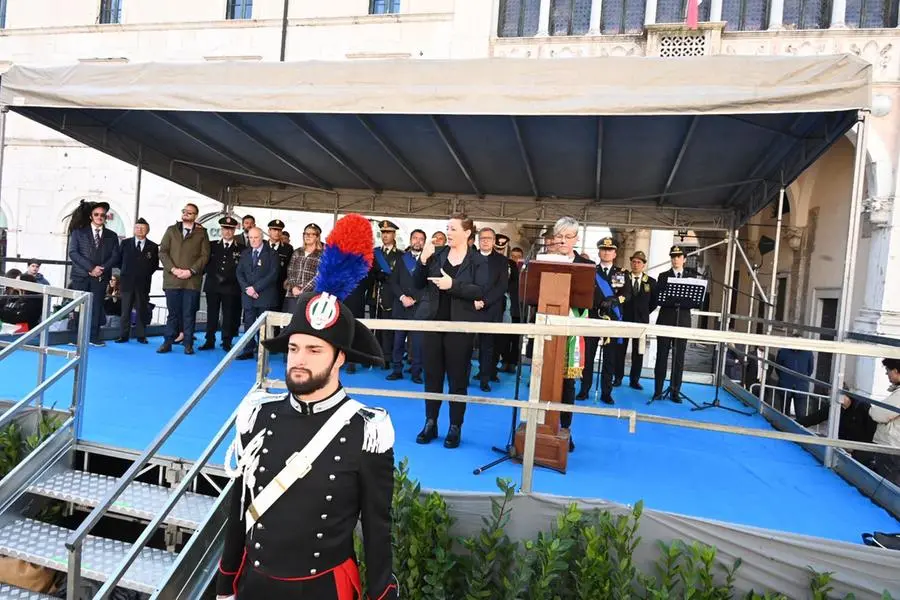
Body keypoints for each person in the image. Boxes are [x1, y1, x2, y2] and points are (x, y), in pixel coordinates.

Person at [216, 291, 398, 600]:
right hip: (255, 585)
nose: (299, 360)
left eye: (314, 350)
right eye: (293, 348)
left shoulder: (366, 429)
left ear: (339, 357)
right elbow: (238, 510)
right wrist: (226, 585)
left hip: (323, 589)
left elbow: (377, 528)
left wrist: (381, 594)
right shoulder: (258, 415)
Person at [413, 214, 487, 449]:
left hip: (459, 327)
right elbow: (417, 283)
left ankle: (455, 426)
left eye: (453, 228)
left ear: (467, 233)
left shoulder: (477, 261)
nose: (449, 232)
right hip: (434, 324)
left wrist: (452, 285)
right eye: (448, 228)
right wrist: (423, 262)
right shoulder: (439, 254)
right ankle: (430, 422)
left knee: (458, 379)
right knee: (432, 376)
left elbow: (479, 290)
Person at [549, 217, 593, 449]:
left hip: (571, 334)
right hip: (547, 331)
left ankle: (565, 429)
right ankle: (545, 425)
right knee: (546, 382)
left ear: (576, 239)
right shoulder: (545, 261)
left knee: (567, 386)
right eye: (559, 236)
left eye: (568, 237)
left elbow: (599, 294)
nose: (563, 241)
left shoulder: (585, 266)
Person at [579, 236, 629, 404]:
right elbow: (584, 291)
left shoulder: (621, 273)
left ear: (615, 253)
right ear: (599, 252)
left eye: (610, 250)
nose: (606, 252)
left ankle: (606, 392)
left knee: (609, 358)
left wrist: (615, 301)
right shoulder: (591, 271)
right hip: (593, 316)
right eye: (603, 249)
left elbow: (627, 294)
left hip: (613, 318)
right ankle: (584, 389)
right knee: (588, 355)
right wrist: (596, 304)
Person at [158, 203, 210, 355]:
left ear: (195, 215)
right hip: (172, 280)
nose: (186, 214)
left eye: (190, 212)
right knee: (172, 313)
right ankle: (168, 342)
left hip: (191, 281)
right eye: (184, 211)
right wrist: (173, 269)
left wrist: (191, 271)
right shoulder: (171, 230)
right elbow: (163, 252)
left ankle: (188, 344)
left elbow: (205, 255)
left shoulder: (202, 233)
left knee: (189, 313)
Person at [67, 200, 121, 347]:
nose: (99, 217)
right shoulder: (79, 233)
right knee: (78, 307)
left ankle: (93, 337)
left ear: (105, 217)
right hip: (81, 275)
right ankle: (75, 337)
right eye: (96, 214)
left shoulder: (112, 235)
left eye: (102, 215)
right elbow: (73, 253)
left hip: (101, 277)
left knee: (97, 306)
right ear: (91, 216)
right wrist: (91, 268)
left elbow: (115, 256)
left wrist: (101, 269)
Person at [653, 245, 699, 402]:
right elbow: (658, 298)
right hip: (665, 320)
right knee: (661, 356)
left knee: (679, 358)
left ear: (684, 259)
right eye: (673, 256)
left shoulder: (691, 277)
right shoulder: (663, 276)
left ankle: (675, 391)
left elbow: (695, 301)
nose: (675, 259)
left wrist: (680, 301)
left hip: (683, 321)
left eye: (679, 256)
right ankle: (657, 391)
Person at [472, 227, 509, 393]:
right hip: (470, 307)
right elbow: (464, 282)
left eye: (489, 238)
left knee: (487, 347)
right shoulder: (469, 258)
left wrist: (484, 302)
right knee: (466, 345)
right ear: (478, 241)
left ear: (494, 241)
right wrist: (473, 300)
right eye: (482, 238)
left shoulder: (501, 261)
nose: (485, 241)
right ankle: (463, 377)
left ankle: (484, 379)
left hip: (491, 309)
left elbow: (501, 286)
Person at [387, 228, 426, 384]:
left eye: (421, 239)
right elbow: (393, 282)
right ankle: (397, 370)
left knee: (417, 344)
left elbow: (429, 285)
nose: (417, 241)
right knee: (398, 342)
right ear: (410, 240)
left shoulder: (429, 261)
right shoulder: (402, 259)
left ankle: (416, 372)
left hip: (419, 308)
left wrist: (415, 299)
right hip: (401, 306)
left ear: (424, 242)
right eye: (415, 238)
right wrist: (403, 297)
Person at [200, 216, 243, 352]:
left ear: (234, 230)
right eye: (225, 229)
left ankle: (226, 341)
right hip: (213, 285)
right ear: (221, 230)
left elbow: (242, 268)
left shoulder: (241, 248)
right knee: (212, 314)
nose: (227, 232)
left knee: (228, 315)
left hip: (231, 287)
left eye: (230, 229)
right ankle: (209, 339)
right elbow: (205, 263)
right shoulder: (212, 246)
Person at [236, 227, 279, 361]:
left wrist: (255, 288)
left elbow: (273, 274)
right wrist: (247, 288)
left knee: (263, 326)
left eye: (256, 238)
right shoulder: (245, 253)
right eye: (250, 238)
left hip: (264, 296)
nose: (253, 240)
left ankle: (262, 351)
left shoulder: (272, 254)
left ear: (262, 237)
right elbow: (239, 273)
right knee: (248, 324)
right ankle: (248, 349)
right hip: (248, 295)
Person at [618, 250, 657, 390]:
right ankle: (618, 377)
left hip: (641, 321)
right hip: (624, 319)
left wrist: (644, 313)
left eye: (639, 262)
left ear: (644, 265)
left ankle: (634, 379)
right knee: (620, 350)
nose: (636, 264)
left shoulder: (651, 282)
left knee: (638, 352)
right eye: (633, 262)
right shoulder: (622, 278)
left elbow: (654, 302)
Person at [117, 218, 159, 344]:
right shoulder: (125, 243)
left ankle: (141, 335)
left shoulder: (153, 246)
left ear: (148, 230)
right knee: (125, 310)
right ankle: (123, 335)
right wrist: (126, 272)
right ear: (134, 229)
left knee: (142, 309)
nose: (139, 230)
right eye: (137, 227)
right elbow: (119, 261)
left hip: (143, 282)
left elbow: (154, 264)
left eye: (142, 228)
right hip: (127, 282)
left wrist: (144, 274)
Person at [369, 220, 401, 368]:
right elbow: (368, 272)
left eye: (388, 232)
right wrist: (376, 274)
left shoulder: (401, 255)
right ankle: (375, 355)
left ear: (394, 234)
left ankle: (387, 357)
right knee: (374, 326)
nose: (385, 235)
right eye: (383, 233)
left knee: (388, 327)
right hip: (376, 293)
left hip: (391, 295)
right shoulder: (374, 253)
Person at [867, 358, 900, 485]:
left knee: (888, 486)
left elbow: (878, 414)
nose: (887, 374)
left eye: (888, 370)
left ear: (896, 371)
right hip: (894, 445)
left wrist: (873, 410)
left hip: (892, 446)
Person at [284, 223, 323, 315]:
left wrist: (304, 290)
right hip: (293, 293)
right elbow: (290, 271)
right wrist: (294, 287)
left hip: (311, 295)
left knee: (306, 323)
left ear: (317, 237)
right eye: (305, 234)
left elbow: (320, 275)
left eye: (311, 234)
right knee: (291, 321)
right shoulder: (297, 252)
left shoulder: (322, 254)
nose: (307, 236)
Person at [774, 338, 815, 418]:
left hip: (801, 387)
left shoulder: (808, 353)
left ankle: (799, 430)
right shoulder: (783, 351)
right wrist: (784, 378)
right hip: (785, 385)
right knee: (784, 414)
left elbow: (810, 370)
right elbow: (778, 368)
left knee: (801, 415)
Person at [267, 219, 294, 306]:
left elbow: (290, 267)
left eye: (279, 230)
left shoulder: (288, 248)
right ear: (269, 231)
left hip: (279, 287)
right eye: (274, 230)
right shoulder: (262, 245)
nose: (277, 233)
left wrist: (287, 280)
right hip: (262, 287)